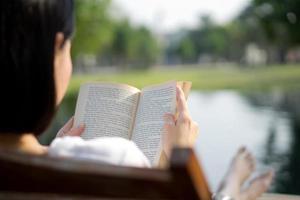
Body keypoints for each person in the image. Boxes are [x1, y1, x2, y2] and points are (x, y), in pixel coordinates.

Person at [0, 0, 273, 199]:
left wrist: (57, 151)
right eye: (69, 47)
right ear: (55, 50)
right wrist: (178, 154)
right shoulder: (117, 158)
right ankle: (234, 187)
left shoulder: (43, 162)